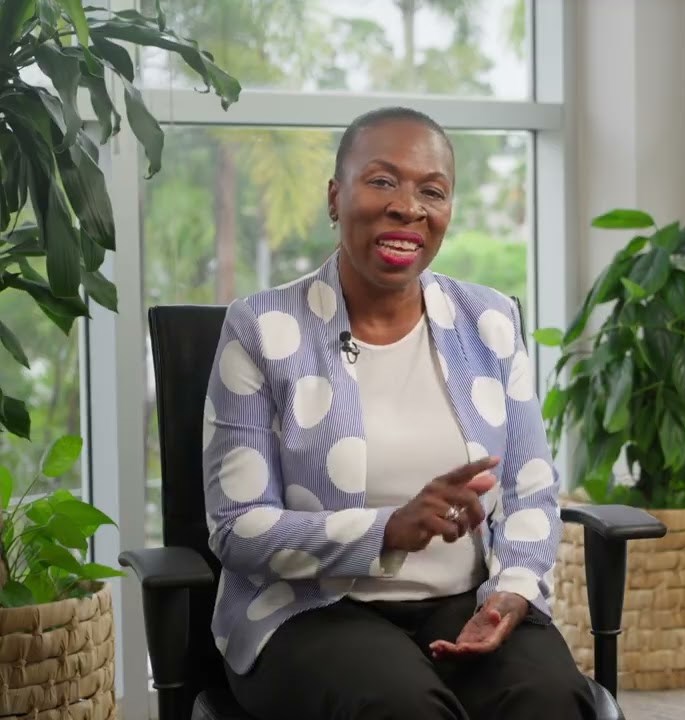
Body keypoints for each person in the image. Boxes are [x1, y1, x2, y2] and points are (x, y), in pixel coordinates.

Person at [202, 106, 594, 720]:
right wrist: (387, 529)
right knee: (402, 707)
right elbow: (236, 527)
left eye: (431, 191)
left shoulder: (490, 322)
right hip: (312, 608)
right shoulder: (262, 329)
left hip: (463, 597)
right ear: (335, 197)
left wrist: (512, 592)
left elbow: (530, 491)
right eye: (382, 181)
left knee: (552, 698)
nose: (408, 208)